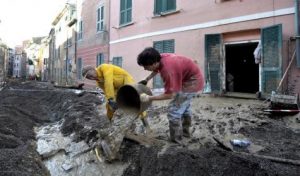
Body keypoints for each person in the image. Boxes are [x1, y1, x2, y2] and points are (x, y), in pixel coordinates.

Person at [137, 47, 204, 144]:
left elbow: (169, 95)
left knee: (174, 110)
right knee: (184, 107)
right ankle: (186, 133)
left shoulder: (168, 71)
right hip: (191, 76)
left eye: (146, 66)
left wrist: (149, 98)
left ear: (154, 63)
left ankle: (176, 140)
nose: (145, 68)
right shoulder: (160, 57)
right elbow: (157, 69)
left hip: (192, 82)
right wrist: (147, 79)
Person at [81, 64, 149, 128]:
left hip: (125, 80)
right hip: (116, 88)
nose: (91, 78)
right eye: (88, 78)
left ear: (93, 69)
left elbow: (108, 82)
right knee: (109, 106)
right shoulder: (98, 82)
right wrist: (110, 101)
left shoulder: (104, 67)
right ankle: (111, 124)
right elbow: (106, 92)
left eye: (90, 75)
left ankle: (145, 122)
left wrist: (111, 98)